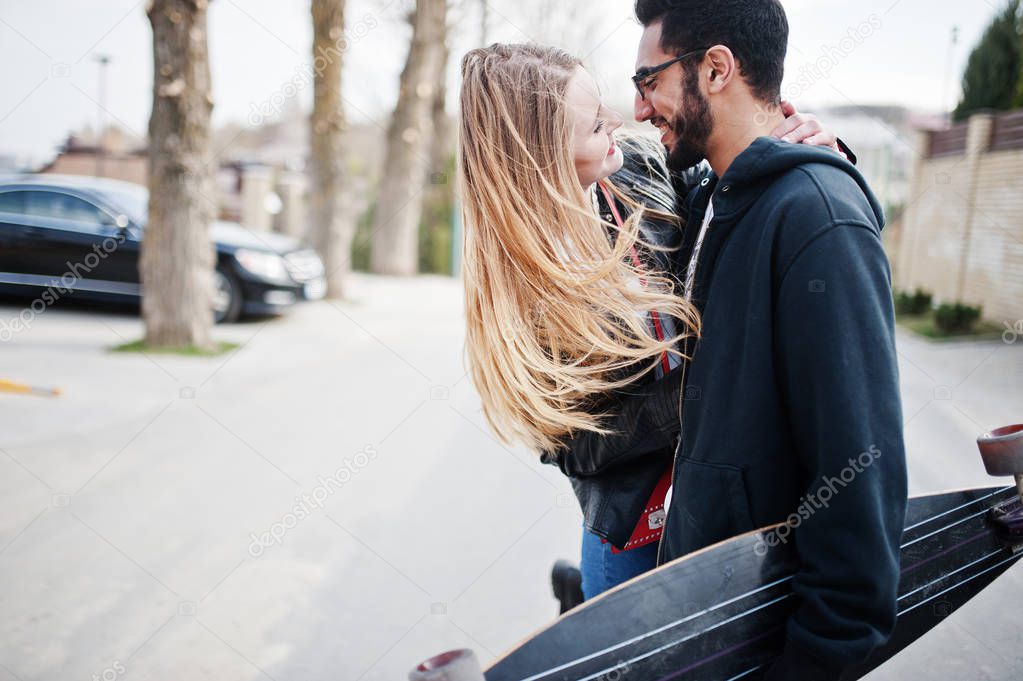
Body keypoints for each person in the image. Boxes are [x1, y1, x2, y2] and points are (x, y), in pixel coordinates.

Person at [457, 43, 850, 607]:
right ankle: (584, 601)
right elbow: (573, 447)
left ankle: (579, 601)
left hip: (720, 495)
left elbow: (731, 195)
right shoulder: (518, 288)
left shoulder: (637, 167)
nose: (621, 120)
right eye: (595, 125)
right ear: (544, 157)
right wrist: (708, 389)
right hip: (634, 528)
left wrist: (813, 158)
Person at [629, 1, 909, 679]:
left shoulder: (815, 215)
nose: (639, 109)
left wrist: (812, 661)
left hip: (765, 650)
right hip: (705, 618)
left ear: (715, 69)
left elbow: (858, 482)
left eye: (647, 82)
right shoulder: (714, 201)